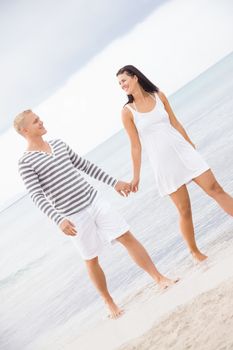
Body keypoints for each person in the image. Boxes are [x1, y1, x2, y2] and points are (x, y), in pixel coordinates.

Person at [14, 109, 177, 319]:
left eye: (40, 118)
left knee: (127, 236)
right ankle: (109, 302)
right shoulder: (25, 162)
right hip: (72, 216)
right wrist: (59, 220)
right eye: (36, 121)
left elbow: (85, 166)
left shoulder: (59, 144)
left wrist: (114, 182)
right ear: (25, 130)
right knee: (91, 259)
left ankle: (159, 278)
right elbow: (37, 195)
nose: (41, 121)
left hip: (94, 200)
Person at [116, 65, 233, 262]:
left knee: (215, 188)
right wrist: (135, 176)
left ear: (135, 77)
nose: (122, 85)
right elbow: (135, 146)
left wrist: (190, 145)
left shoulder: (158, 95)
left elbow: (175, 123)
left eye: (124, 80)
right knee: (184, 209)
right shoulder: (128, 112)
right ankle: (195, 252)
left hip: (183, 151)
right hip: (164, 163)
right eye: (119, 83)